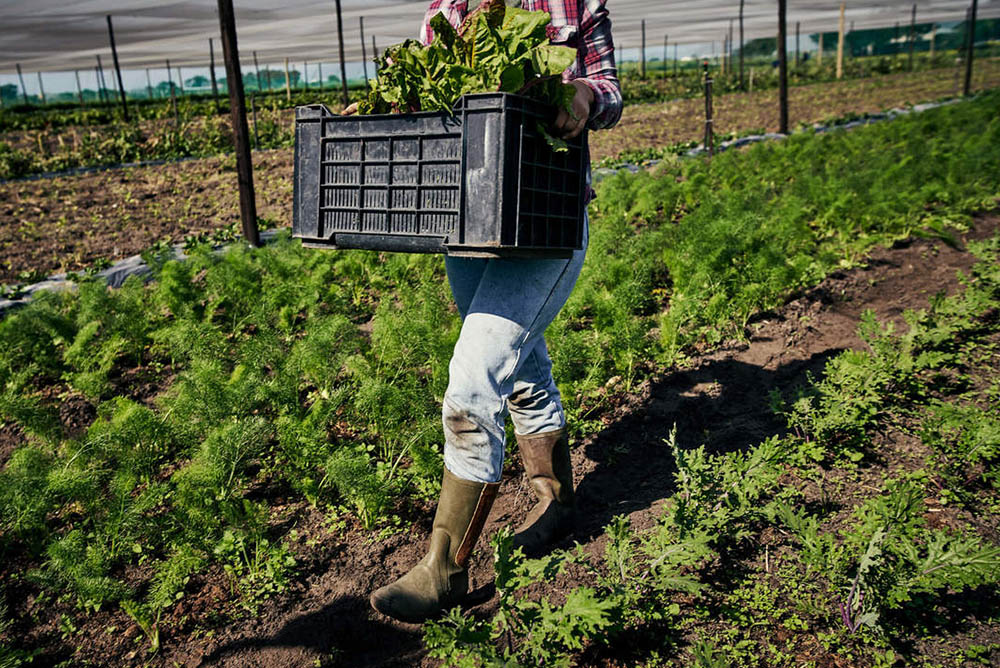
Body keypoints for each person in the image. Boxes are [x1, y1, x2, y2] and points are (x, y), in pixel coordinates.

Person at [365, 0, 622, 623]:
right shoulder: (446, 11)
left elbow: (611, 90)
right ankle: (554, 499)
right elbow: (427, 101)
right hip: (467, 219)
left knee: (475, 376)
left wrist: (584, 95)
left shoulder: (575, 5)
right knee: (520, 361)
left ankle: (444, 568)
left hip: (547, 215)